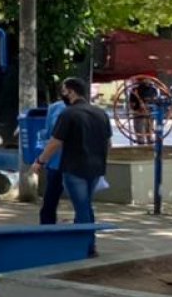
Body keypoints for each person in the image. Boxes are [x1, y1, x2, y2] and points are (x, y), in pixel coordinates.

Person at [31, 77, 113, 256]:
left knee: (82, 207)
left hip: (75, 168)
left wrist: (40, 161)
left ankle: (86, 247)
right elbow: (108, 144)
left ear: (72, 92)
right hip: (96, 168)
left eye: (64, 91)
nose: (63, 94)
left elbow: (54, 142)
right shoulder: (100, 113)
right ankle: (89, 244)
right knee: (86, 206)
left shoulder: (68, 114)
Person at [37, 91, 69, 224]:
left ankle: (46, 229)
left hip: (57, 160)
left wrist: (40, 160)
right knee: (82, 203)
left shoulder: (57, 108)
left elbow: (53, 136)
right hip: (78, 162)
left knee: (51, 198)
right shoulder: (89, 110)